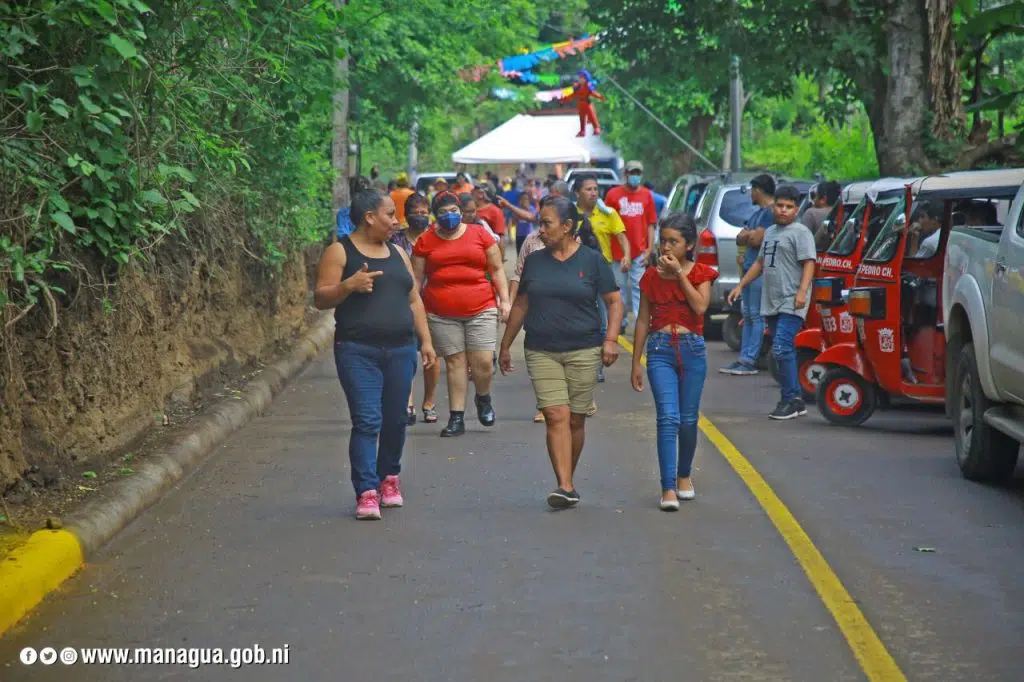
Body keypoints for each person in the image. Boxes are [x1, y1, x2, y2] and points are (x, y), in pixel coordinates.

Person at [314, 189, 437, 520]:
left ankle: (389, 478)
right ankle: (367, 490)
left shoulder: (397, 252)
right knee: (368, 419)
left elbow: (414, 299)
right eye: (390, 214)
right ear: (369, 217)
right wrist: (347, 286)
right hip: (358, 351)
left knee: (396, 419)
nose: (396, 221)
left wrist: (425, 341)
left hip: (401, 349)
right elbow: (321, 298)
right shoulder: (340, 252)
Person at [499, 196, 623, 509]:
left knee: (576, 419)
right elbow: (522, 304)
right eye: (539, 223)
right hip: (542, 350)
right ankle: (565, 485)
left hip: (584, 350)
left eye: (546, 224)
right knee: (556, 415)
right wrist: (505, 345)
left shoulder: (592, 260)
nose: (540, 230)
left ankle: (568, 478)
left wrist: (610, 340)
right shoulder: (535, 261)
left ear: (567, 226)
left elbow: (613, 302)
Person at [631, 213, 718, 510]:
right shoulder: (650, 277)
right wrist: (636, 362)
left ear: (689, 245)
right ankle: (667, 487)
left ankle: (684, 475)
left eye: (674, 241)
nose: (666, 247)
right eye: (663, 241)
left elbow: (700, 307)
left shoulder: (701, 273)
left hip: (692, 350)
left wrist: (679, 273)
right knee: (668, 418)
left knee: (688, 420)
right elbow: (642, 320)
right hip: (659, 351)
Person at [412, 192, 511, 437]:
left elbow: (497, 269)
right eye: (443, 212)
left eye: (453, 211)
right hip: (441, 312)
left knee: (483, 361)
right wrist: (413, 308)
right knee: (455, 362)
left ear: (461, 211)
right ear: (435, 215)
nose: (450, 216)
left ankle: (483, 397)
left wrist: (505, 300)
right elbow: (417, 279)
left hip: (482, 307)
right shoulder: (425, 241)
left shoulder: (480, 234)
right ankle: (456, 417)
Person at [728, 185, 817, 420]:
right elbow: (760, 263)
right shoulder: (770, 232)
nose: (784, 210)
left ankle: (791, 399)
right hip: (771, 301)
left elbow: (809, 263)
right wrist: (741, 285)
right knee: (781, 352)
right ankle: (795, 399)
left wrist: (802, 292)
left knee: (781, 347)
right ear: (773, 207)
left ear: (796, 210)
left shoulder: (801, 233)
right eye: (780, 205)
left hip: (792, 300)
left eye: (789, 207)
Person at [575, 173, 630, 383]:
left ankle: (597, 367)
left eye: (596, 189)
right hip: (575, 271)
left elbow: (622, 237)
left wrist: (626, 256)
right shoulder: (569, 214)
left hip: (602, 272)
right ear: (577, 192)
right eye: (588, 189)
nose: (593, 193)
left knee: (602, 319)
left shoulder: (608, 213)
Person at [391, 192, 441, 425]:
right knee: (407, 354)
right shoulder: (395, 240)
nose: (420, 216)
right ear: (407, 214)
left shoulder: (437, 237)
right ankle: (407, 402)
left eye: (424, 212)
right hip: (404, 303)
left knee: (432, 355)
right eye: (415, 212)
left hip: (434, 303)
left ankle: (429, 401)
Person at [721, 174, 775, 376]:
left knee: (756, 315)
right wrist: (748, 235)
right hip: (748, 269)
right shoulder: (756, 215)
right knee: (748, 315)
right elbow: (740, 238)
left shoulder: (769, 213)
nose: (751, 194)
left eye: (752, 190)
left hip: (759, 271)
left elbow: (755, 240)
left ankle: (750, 359)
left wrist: (748, 235)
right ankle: (744, 358)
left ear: (758, 190)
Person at [606, 161, 658, 333]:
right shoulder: (613, 195)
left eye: (638, 173)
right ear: (626, 174)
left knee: (639, 287)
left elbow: (651, 224)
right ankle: (619, 321)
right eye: (632, 173)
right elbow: (607, 223)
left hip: (639, 251)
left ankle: (640, 321)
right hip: (616, 251)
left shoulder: (647, 195)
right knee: (618, 288)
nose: (635, 176)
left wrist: (649, 249)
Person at [474, 182, 509, 258]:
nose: (471, 192)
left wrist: (500, 259)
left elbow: (500, 238)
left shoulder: (495, 211)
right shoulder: (469, 210)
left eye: (474, 190)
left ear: (481, 194)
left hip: (488, 257)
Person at [807, 181, 842, 250]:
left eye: (816, 196)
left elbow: (803, 243)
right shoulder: (846, 213)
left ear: (823, 199)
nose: (814, 200)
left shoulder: (811, 213)